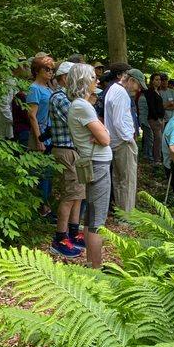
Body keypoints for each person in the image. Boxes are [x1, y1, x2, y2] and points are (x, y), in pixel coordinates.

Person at [67, 63, 112, 269]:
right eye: (94, 77)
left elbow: (101, 134)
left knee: (91, 215)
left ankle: (89, 263)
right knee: (97, 221)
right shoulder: (82, 106)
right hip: (98, 164)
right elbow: (105, 138)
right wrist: (101, 134)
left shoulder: (80, 105)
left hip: (93, 162)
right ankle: (96, 268)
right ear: (85, 81)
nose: (98, 81)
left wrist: (100, 134)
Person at [48, 61, 86, 257]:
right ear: (64, 78)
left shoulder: (70, 98)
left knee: (79, 193)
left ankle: (73, 232)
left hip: (74, 151)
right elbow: (77, 123)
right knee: (70, 194)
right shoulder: (60, 98)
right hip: (65, 151)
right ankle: (59, 238)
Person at [104, 68, 146, 212]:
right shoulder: (121, 93)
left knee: (118, 178)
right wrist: (129, 139)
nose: (138, 89)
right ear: (131, 80)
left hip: (114, 141)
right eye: (138, 85)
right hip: (123, 143)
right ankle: (127, 216)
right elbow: (118, 121)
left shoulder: (113, 89)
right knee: (127, 180)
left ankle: (120, 212)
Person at [27, 56, 56, 217]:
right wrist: (39, 139)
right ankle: (41, 209)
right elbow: (32, 115)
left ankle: (47, 206)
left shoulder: (49, 89)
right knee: (40, 173)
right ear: (37, 70)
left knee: (48, 172)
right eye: (47, 69)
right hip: (41, 134)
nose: (50, 72)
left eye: (52, 69)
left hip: (51, 134)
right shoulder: (34, 89)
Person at [0, 56, 28, 139]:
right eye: (23, 65)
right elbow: (3, 106)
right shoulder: (9, 82)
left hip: (16, 130)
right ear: (16, 66)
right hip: (9, 132)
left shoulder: (17, 81)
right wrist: (14, 121)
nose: (25, 68)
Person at [146, 73, 165, 164]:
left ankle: (159, 158)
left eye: (160, 80)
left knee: (161, 140)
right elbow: (151, 106)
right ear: (152, 81)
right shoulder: (150, 91)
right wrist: (157, 119)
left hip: (161, 118)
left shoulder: (158, 91)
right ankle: (156, 159)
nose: (159, 81)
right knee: (158, 139)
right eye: (156, 79)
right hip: (154, 119)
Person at [137, 83, 154, 161]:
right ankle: (148, 155)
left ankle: (146, 154)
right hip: (145, 120)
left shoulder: (142, 97)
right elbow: (145, 111)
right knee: (149, 138)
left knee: (147, 138)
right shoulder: (143, 98)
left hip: (143, 120)